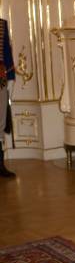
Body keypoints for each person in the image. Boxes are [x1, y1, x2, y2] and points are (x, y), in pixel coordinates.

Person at [0, 18, 15, 178]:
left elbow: (6, 51)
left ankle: (0, 164)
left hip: (0, 78)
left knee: (0, 123)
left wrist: (11, 77)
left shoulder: (1, 25)